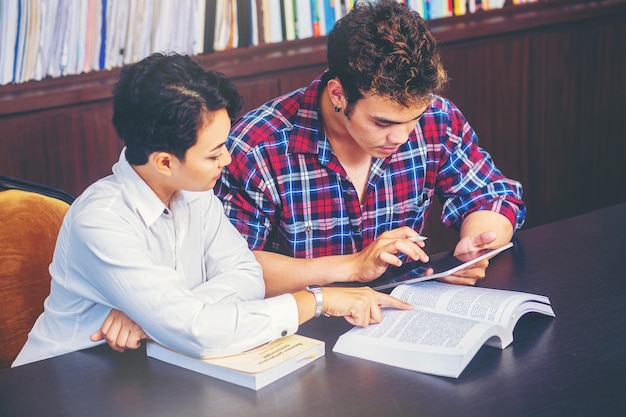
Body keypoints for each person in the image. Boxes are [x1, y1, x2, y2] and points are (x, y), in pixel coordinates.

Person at [12, 52, 411, 367]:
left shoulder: (195, 191)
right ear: (165, 161)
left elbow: (246, 276)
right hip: (63, 379)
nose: (228, 159)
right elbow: (200, 333)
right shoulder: (99, 221)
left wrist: (162, 317)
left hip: (149, 368)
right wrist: (320, 300)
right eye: (214, 151)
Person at [214, 0, 526, 297]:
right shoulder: (256, 148)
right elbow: (231, 268)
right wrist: (353, 266)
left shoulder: (437, 119)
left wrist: (477, 245)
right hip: (306, 325)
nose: (401, 137)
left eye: (412, 119)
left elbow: (492, 197)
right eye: (382, 123)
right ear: (338, 95)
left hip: (405, 313)